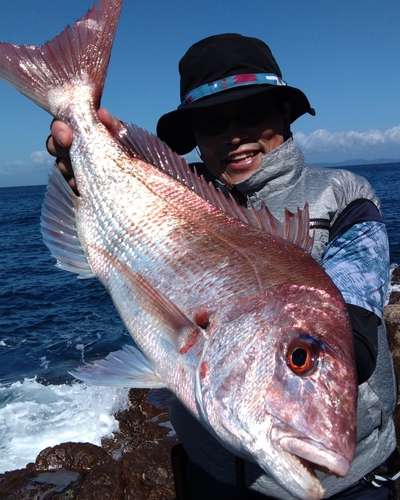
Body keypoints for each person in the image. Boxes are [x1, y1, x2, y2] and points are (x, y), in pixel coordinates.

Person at [47, 33, 399, 499]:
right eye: (212, 122)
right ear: (193, 137)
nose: (235, 136)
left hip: (353, 484)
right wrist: (87, 174)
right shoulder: (171, 193)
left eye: (253, 113)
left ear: (284, 116)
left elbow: (354, 331)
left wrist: (290, 357)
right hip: (211, 476)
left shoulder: (346, 197)